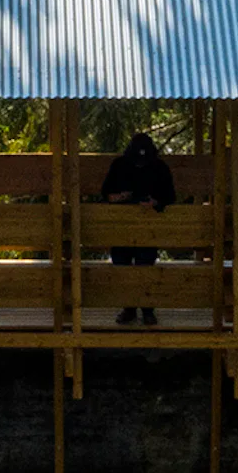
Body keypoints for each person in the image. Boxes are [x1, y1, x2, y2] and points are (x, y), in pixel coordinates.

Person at [99, 130, 178, 326]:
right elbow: (106, 194)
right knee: (122, 268)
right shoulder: (119, 166)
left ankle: (147, 310)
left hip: (148, 228)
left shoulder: (159, 167)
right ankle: (128, 308)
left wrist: (155, 202)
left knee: (146, 268)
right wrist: (121, 197)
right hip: (121, 226)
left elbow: (170, 196)